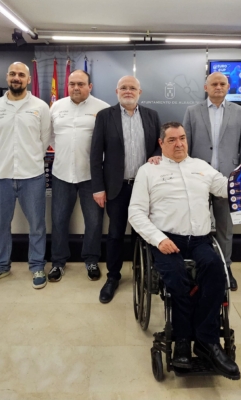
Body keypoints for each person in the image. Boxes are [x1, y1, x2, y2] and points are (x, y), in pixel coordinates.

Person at [128, 121, 240, 380]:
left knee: (215, 271)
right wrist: (158, 239)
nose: (179, 144)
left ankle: (206, 341)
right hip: (167, 239)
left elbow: (226, 188)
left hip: (200, 239)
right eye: (172, 140)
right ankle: (181, 341)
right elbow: (135, 213)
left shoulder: (201, 167)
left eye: (182, 138)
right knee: (176, 279)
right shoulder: (148, 171)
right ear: (161, 143)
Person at [0, 62, 51, 289]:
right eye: (12, 74)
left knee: (37, 225)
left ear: (28, 79)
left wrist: (30, 160)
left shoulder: (40, 106)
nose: (16, 77)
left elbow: (45, 139)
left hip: (33, 176)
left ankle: (37, 265)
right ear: (7, 77)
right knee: (0, 225)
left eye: (21, 74)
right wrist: (4, 160)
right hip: (0, 176)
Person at [90, 75, 161, 304]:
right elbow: (95, 155)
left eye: (132, 88)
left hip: (143, 187)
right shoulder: (105, 116)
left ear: (140, 92)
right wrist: (98, 187)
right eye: (124, 88)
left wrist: (157, 157)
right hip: (116, 187)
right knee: (115, 234)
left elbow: (157, 150)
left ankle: (144, 273)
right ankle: (113, 277)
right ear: (116, 91)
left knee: (144, 233)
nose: (128, 91)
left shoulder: (151, 116)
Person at [183, 71, 241, 291]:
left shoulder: (240, 113)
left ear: (228, 87)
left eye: (223, 83)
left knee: (225, 227)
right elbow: (184, 147)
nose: (218, 87)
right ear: (206, 87)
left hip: (227, 179)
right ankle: (197, 265)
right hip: (199, 179)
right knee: (196, 226)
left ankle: (225, 267)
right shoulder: (192, 112)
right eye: (214, 83)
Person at [48, 70, 110, 283]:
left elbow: (108, 143)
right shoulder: (57, 107)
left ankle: (91, 259)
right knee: (58, 220)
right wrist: (67, 153)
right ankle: (58, 262)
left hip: (91, 176)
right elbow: (51, 137)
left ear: (90, 86)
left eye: (81, 84)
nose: (76, 87)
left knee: (93, 221)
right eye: (72, 83)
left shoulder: (102, 108)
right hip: (62, 174)